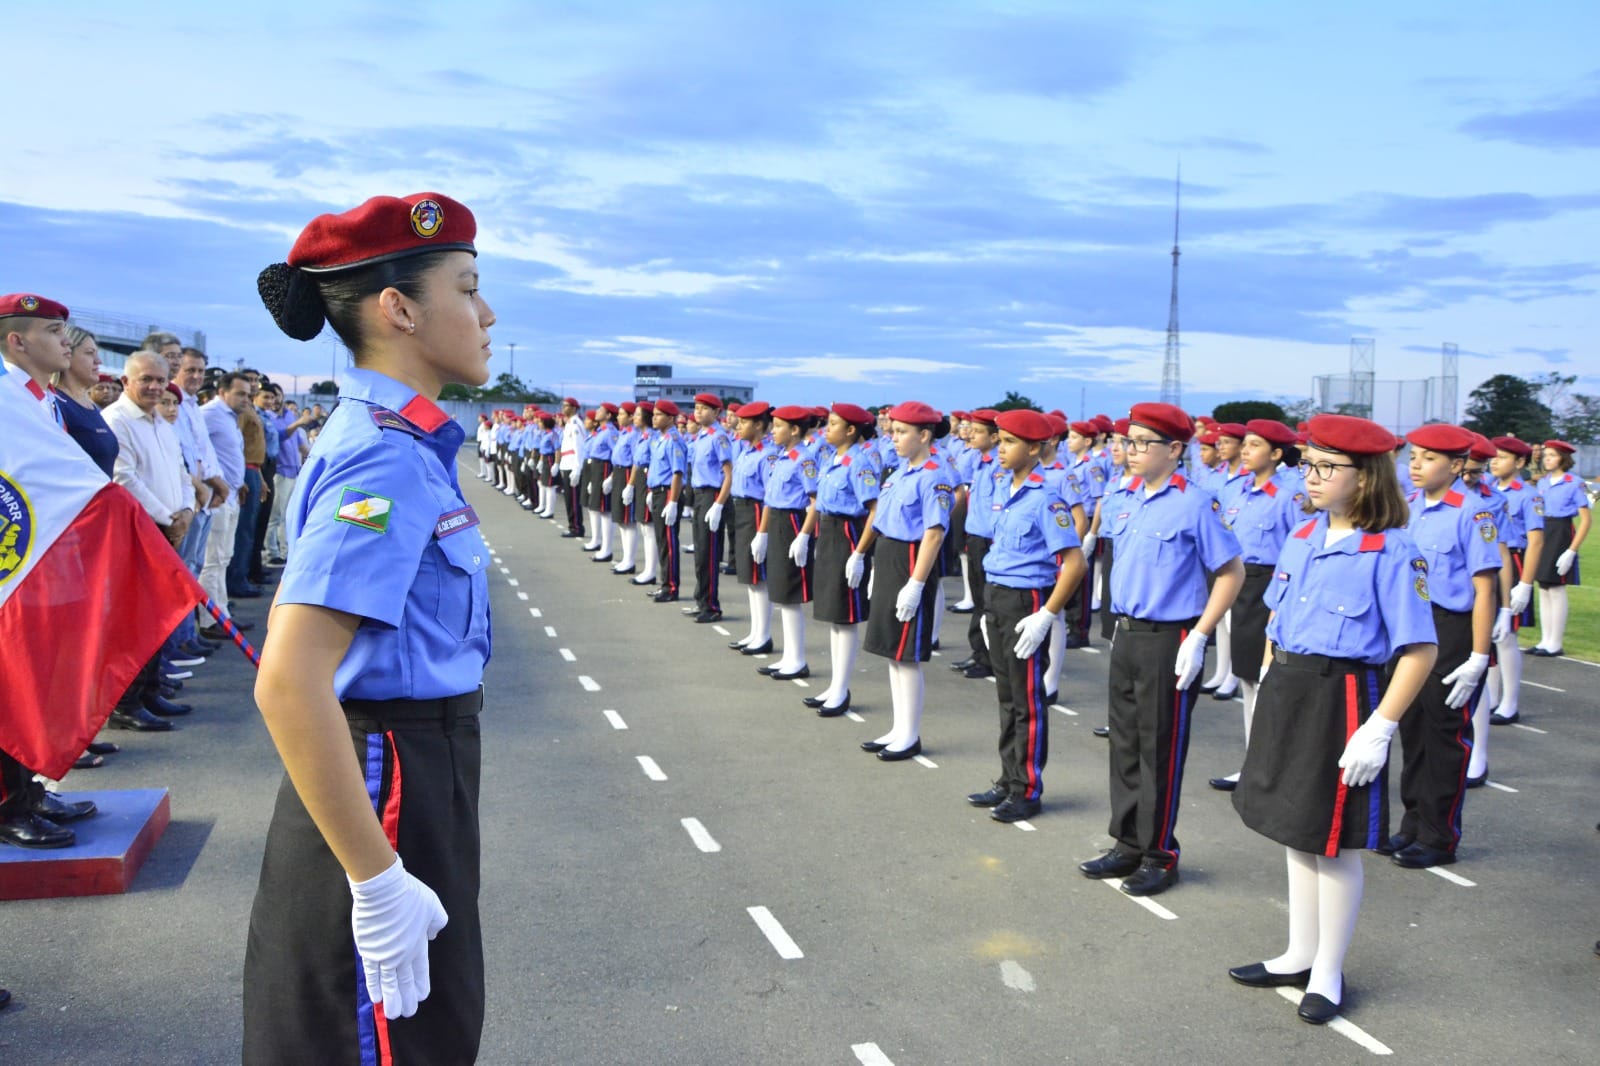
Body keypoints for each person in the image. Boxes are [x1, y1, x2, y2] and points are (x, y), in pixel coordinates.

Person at [244, 191, 493, 1063]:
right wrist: (376, 876)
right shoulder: (382, 451)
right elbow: (288, 677)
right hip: (386, 773)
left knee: (433, 1027)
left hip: (416, 763)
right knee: (391, 1044)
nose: (486, 312)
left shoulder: (405, 439)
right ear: (400, 309)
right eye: (466, 287)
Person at [1229, 413, 1437, 1026]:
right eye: (1309, 464)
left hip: (1343, 695)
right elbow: (1274, 616)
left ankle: (1328, 970)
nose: (1312, 477)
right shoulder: (1302, 535)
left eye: (1326, 467)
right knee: (1294, 825)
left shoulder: (1394, 550)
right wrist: (1268, 676)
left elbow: (1419, 649)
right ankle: (1298, 951)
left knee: (1333, 836)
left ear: (1365, 476)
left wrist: (1382, 726)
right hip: (1290, 688)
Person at [1078, 402, 1243, 897]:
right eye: (1127, 441)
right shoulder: (1120, 495)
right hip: (1126, 632)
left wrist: (1200, 635)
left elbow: (1229, 573)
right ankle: (1126, 842)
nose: (1130, 451)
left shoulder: (1196, 503)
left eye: (1143, 443)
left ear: (1175, 449)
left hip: (1170, 636)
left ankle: (1159, 853)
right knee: (1125, 743)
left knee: (1160, 750)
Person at [0, 292, 103, 844]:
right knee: (9, 683)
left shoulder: (38, 398)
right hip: (14, 565)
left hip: (46, 557)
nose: (66, 340)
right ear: (17, 341)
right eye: (52, 331)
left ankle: (30, 790)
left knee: (34, 679)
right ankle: (9, 805)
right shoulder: (4, 397)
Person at [1386, 423, 1500, 869]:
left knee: (1444, 732)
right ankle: (1412, 825)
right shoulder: (1408, 507)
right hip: (1411, 625)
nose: (1415, 465)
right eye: (1413, 456)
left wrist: (1477, 656)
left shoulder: (1472, 513)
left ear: (1456, 466)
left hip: (1450, 628)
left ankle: (1439, 836)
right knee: (1411, 728)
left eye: (1428, 458)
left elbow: (1484, 588)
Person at [965, 409, 1086, 823]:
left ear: (1034, 448)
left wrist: (1047, 615)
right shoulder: (1004, 488)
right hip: (997, 596)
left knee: (1027, 700)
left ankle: (1027, 788)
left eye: (1009, 442)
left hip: (1025, 602)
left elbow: (1074, 563)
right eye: (999, 441)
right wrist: (985, 607)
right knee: (1006, 696)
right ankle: (1007, 777)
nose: (1000, 450)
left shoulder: (1046, 498)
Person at [849, 401, 954, 761]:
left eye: (901, 431)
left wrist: (916, 583)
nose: (892, 438)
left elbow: (934, 533)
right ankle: (898, 727)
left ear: (924, 435)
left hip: (912, 561)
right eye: (892, 431)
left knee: (906, 654)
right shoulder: (898, 473)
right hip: (891, 557)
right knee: (892, 651)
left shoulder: (934, 476)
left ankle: (910, 735)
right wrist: (865, 556)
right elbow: (882, 521)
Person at [1207, 420, 1303, 792]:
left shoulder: (1289, 496)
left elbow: (1299, 552)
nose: (1245, 451)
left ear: (1276, 454)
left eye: (1254, 445)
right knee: (1248, 678)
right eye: (1243, 445)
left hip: (1271, 587)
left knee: (1267, 682)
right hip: (1240, 584)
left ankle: (1269, 768)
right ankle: (1253, 763)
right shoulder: (1239, 491)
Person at [102, 352, 198, 724]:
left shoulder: (162, 422)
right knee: (136, 624)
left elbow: (179, 471)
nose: (156, 387)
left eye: (160, 380)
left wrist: (186, 510)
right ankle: (126, 704)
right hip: (141, 530)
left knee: (161, 618)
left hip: (172, 527)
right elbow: (124, 479)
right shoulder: (116, 421)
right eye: (147, 380)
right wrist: (168, 518)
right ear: (126, 382)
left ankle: (151, 690)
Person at [803, 402, 882, 714]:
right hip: (829, 532)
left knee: (845, 616)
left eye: (833, 424)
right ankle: (835, 685)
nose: (826, 430)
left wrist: (860, 553)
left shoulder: (859, 463)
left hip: (849, 534)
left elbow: (874, 510)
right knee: (833, 615)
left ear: (851, 430)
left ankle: (842, 689)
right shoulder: (831, 459)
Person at [753, 405, 819, 679]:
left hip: (793, 523)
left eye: (778, 426)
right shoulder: (780, 458)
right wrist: (762, 532)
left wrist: (804, 535)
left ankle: (797, 659)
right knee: (779, 592)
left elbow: (815, 502)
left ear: (794, 430)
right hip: (778, 521)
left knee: (790, 595)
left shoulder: (804, 461)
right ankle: (788, 656)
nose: (773, 430)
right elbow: (769, 499)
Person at [1486, 436, 1544, 725]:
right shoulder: (1488, 489)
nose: (1494, 461)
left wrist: (1524, 584)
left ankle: (1510, 703)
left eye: (1503, 457)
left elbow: (1535, 542)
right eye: (1493, 456)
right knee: (1489, 635)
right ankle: (1492, 698)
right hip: (1490, 562)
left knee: (1507, 636)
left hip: (1515, 560)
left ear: (1520, 462)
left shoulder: (1527, 494)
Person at [200, 371, 252, 634]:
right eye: (241, 393)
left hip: (231, 494)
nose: (246, 399)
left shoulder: (230, 418)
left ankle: (223, 616)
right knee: (213, 560)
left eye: (248, 394)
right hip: (216, 497)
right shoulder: (209, 414)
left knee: (223, 559)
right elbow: (195, 450)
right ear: (222, 392)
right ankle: (211, 620)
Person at [950, 410, 1001, 680]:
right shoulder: (980, 461)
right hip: (975, 536)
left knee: (988, 600)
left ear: (995, 437)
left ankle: (989, 657)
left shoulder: (998, 466)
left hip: (988, 539)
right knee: (980, 598)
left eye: (979, 431)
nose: (971, 434)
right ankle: (979, 653)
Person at [1528, 439, 1589, 657]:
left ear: (1563, 458)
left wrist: (1571, 550)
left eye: (1552, 455)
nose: (1547, 459)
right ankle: (1545, 639)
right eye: (1546, 456)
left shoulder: (1575, 482)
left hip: (1561, 532)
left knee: (1556, 587)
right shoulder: (1543, 482)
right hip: (1545, 530)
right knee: (1543, 586)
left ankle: (1556, 642)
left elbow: (1586, 519)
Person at [687, 393, 733, 622]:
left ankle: (712, 606)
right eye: (696, 407)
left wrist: (718, 504)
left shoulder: (719, 437)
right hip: (698, 495)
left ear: (717, 413)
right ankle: (701, 599)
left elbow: (728, 474)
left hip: (712, 495)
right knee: (700, 552)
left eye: (705, 408)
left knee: (709, 552)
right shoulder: (700, 436)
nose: (698, 411)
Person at [645, 399, 687, 602]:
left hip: (669, 493)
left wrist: (672, 501)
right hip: (659, 492)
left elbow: (677, 473)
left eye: (659, 414)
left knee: (669, 542)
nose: (654, 418)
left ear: (670, 418)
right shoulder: (660, 439)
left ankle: (671, 587)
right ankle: (665, 584)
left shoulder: (673, 440)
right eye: (653, 414)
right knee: (662, 541)